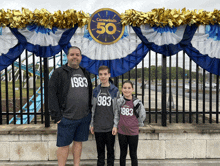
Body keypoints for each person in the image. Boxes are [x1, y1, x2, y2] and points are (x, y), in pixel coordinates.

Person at [48, 46, 93, 166]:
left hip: (83, 117)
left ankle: (76, 165)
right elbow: (51, 94)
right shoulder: (59, 72)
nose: (74, 57)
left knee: (78, 143)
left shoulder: (85, 72)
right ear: (67, 56)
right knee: (63, 146)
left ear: (80, 57)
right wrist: (56, 116)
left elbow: (89, 92)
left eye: (77, 55)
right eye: (72, 54)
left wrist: (89, 112)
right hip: (66, 117)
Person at [90, 65, 120, 166]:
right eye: (101, 74)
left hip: (110, 127)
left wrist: (115, 125)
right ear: (98, 75)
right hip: (98, 127)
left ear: (109, 75)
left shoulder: (114, 90)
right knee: (100, 154)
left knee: (111, 153)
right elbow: (93, 109)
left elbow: (117, 110)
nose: (103, 77)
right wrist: (92, 124)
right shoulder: (95, 91)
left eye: (105, 74)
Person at [114, 80, 146, 166]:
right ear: (122, 89)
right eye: (125, 88)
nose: (127, 90)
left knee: (133, 154)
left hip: (133, 132)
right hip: (122, 132)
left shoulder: (137, 103)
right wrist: (115, 126)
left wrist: (136, 125)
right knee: (122, 154)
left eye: (129, 88)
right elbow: (117, 114)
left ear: (132, 89)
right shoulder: (119, 101)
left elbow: (142, 116)